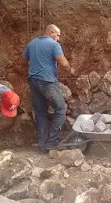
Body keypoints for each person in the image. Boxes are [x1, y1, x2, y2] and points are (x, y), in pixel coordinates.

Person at [22, 24, 75, 154]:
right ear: (51, 32)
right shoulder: (53, 45)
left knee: (40, 114)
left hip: (33, 81)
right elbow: (63, 63)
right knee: (60, 109)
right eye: (57, 36)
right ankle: (52, 142)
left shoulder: (31, 44)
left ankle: (42, 146)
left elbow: (23, 61)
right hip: (47, 82)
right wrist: (70, 69)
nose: (58, 39)